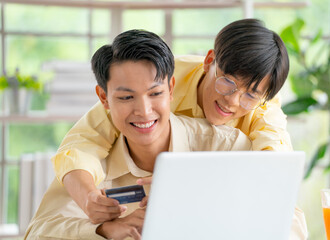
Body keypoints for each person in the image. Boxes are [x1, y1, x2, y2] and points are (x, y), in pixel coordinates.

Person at [52, 19, 294, 226]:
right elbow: (82, 142)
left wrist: (190, 185)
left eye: (250, 95)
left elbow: (276, 175)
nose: (232, 100)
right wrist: (88, 199)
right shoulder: (154, 79)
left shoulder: (264, 106)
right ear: (209, 60)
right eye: (227, 83)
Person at [25, 29, 255, 240]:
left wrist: (198, 199)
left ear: (171, 89)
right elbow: (38, 232)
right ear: (104, 98)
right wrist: (103, 230)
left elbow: (286, 223)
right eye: (126, 97)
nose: (144, 112)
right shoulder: (85, 166)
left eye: (155, 93)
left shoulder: (226, 147)